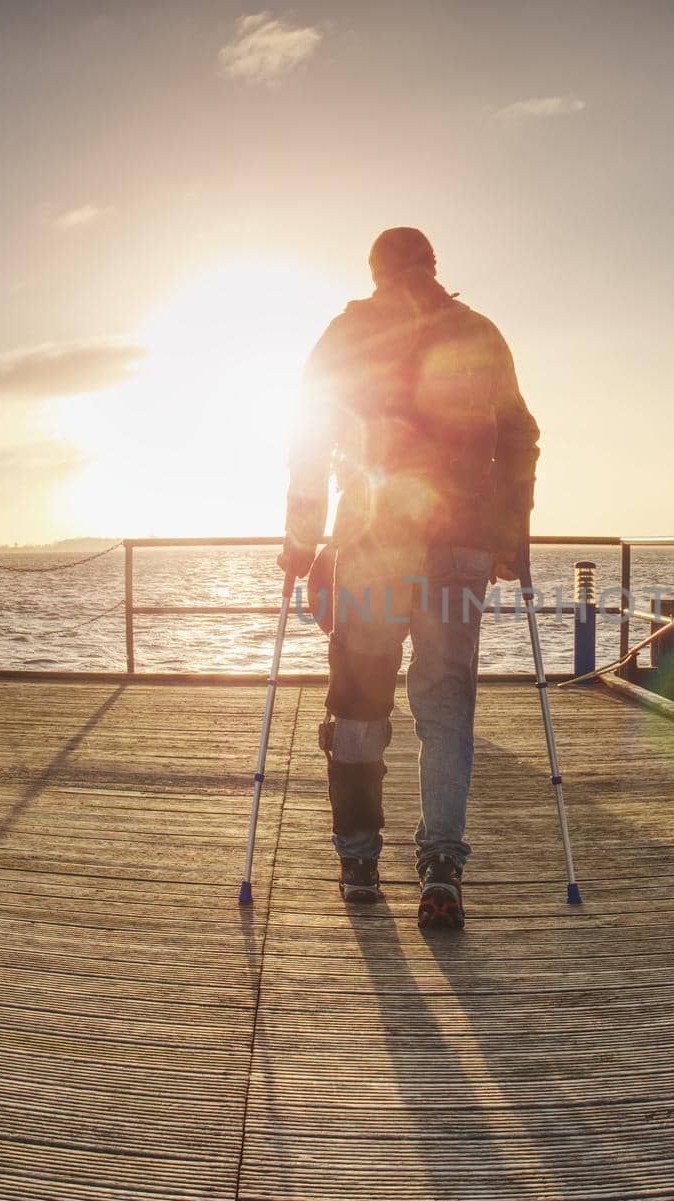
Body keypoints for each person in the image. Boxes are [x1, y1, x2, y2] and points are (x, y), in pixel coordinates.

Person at [278, 227, 540, 929]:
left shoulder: (350, 331)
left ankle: (359, 860)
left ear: (374, 273)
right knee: (445, 700)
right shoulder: (478, 331)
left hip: (371, 540)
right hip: (461, 538)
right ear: (432, 267)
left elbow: (309, 436)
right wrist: (511, 531)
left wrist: (301, 539)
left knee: (361, 702)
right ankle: (443, 865)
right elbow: (518, 434)